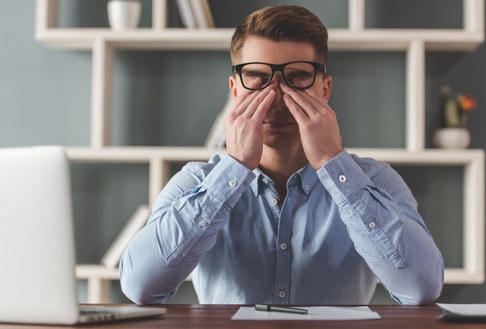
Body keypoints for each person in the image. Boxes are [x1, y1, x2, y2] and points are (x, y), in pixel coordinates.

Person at [120, 4, 444, 305]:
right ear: (235, 90)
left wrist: (334, 162)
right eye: (257, 77)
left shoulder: (374, 180)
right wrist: (233, 169)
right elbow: (141, 287)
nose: (275, 97)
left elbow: (420, 288)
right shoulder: (197, 181)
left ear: (324, 90)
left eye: (298, 77)